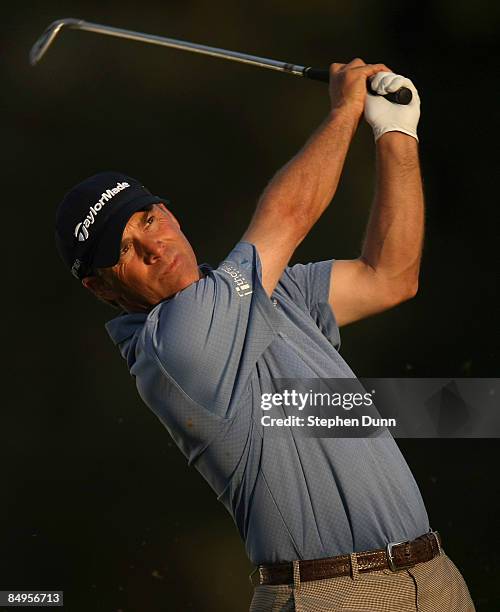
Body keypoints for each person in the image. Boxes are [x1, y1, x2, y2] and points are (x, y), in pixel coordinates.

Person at [55, 60, 476, 611]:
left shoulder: (269, 294)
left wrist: (396, 132)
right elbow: (290, 215)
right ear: (101, 289)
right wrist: (346, 107)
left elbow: (389, 277)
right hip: (327, 594)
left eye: (148, 220)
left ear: (170, 213)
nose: (153, 246)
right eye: (123, 252)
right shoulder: (170, 346)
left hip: (433, 575)